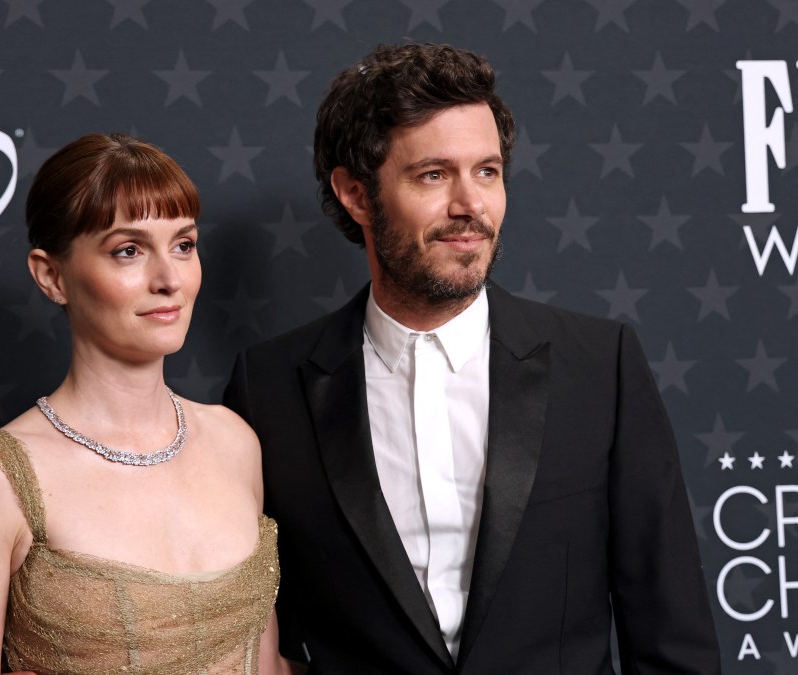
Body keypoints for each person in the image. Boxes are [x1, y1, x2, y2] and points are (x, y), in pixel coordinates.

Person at [224, 43, 722, 673]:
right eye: (433, 175)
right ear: (355, 194)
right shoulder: (268, 389)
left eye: (487, 171)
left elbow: (672, 636)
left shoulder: (600, 366)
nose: (471, 206)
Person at [0, 133, 291, 675]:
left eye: (184, 245)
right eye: (128, 251)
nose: (169, 280)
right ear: (52, 276)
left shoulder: (235, 441)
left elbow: (267, 663)